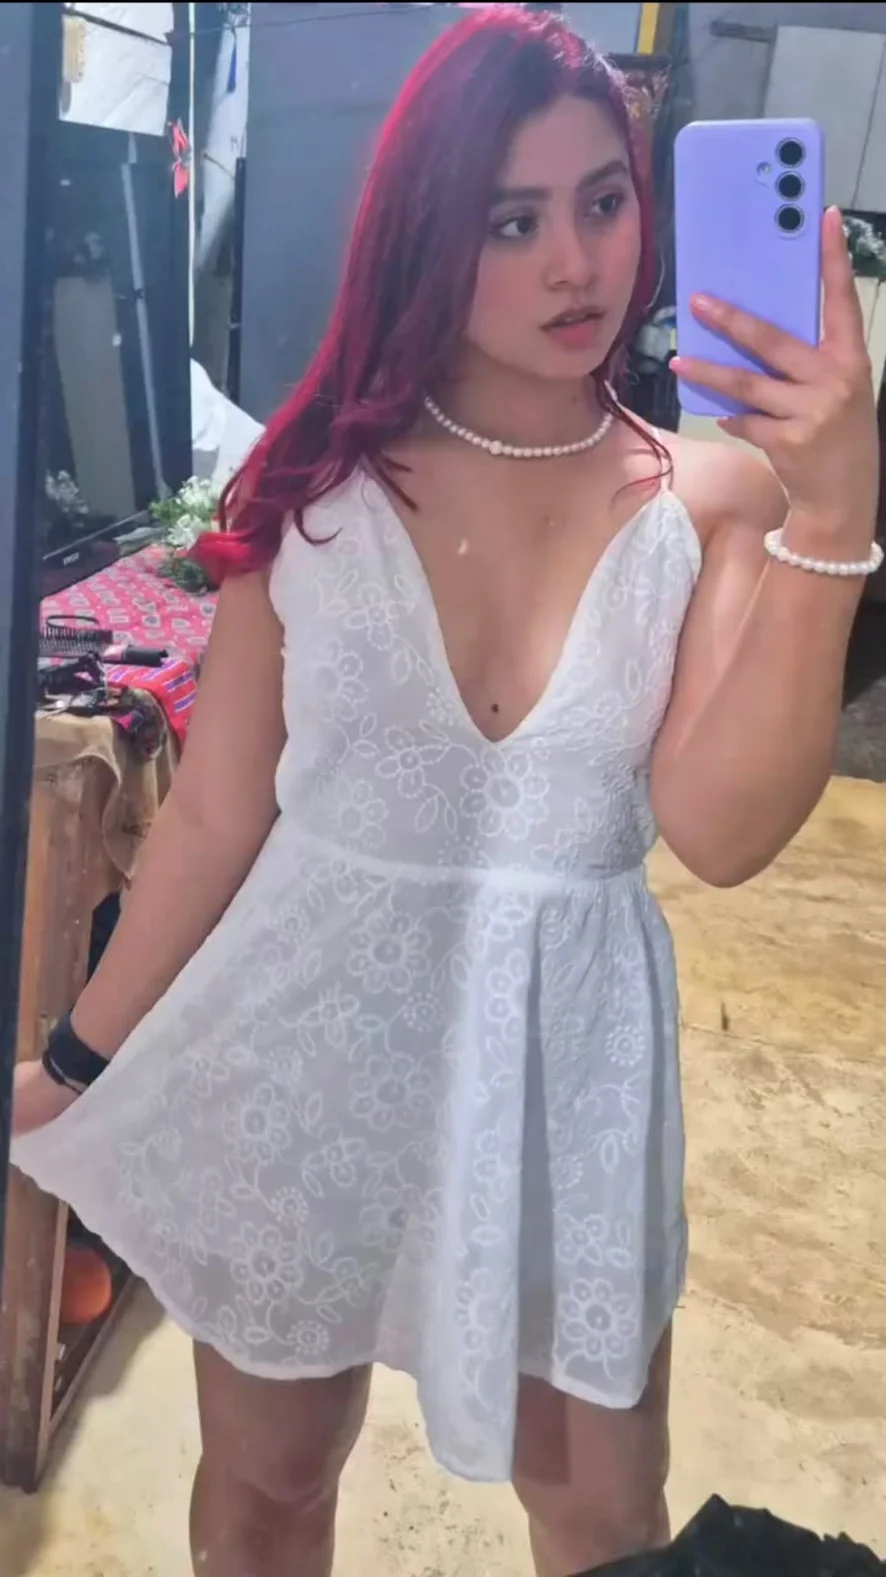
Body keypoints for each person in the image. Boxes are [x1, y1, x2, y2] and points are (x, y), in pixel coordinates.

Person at [11, 8, 879, 1576]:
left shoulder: (709, 496)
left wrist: (832, 516)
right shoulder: (313, 483)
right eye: (510, 220)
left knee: (601, 1510)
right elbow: (215, 818)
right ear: (427, 234)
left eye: (601, 201)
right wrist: (75, 1058)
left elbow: (720, 832)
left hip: (565, 1075)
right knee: (269, 1483)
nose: (574, 265)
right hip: (307, 1046)